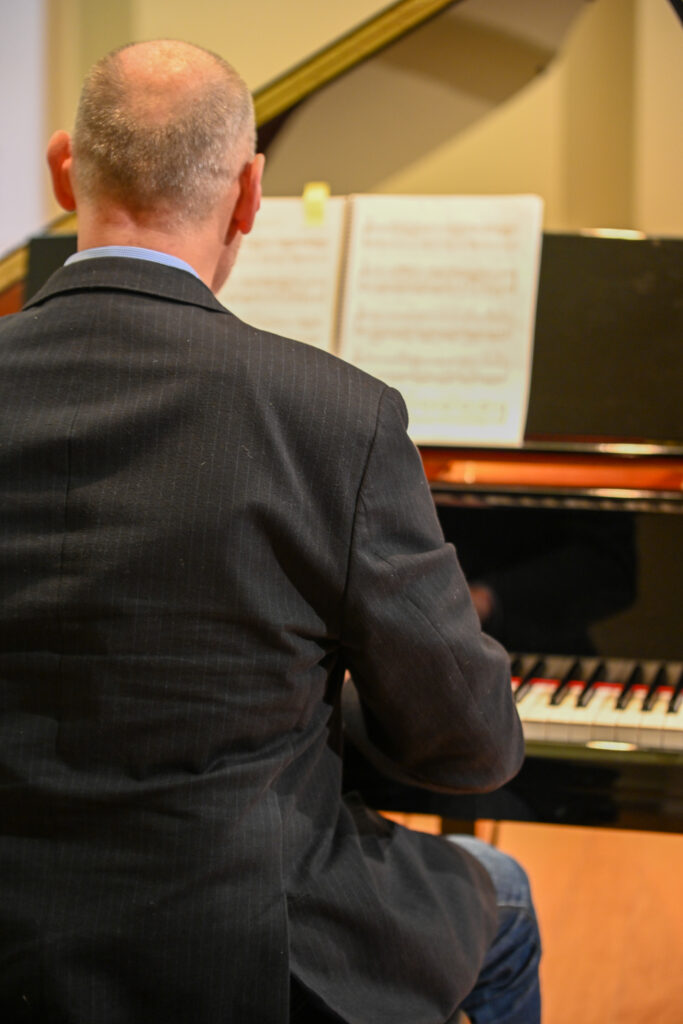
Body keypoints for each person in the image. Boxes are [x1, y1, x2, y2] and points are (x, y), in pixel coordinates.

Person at [0, 40, 540, 1024]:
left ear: (64, 170)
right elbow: (470, 749)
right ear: (250, 194)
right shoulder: (334, 417)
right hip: (232, 944)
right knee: (503, 898)